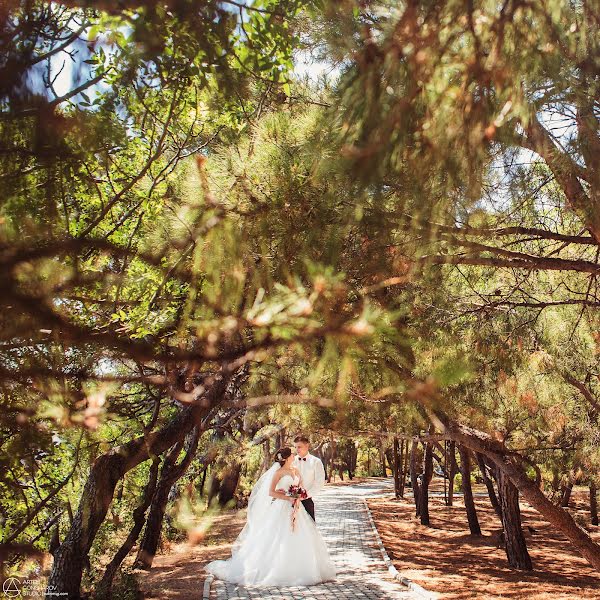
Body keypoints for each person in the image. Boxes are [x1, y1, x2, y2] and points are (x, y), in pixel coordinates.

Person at [204, 447, 336, 587]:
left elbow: (301, 488)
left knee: (301, 534)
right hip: (281, 507)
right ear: (285, 458)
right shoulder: (278, 473)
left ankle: (304, 568)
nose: (294, 456)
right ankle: (276, 571)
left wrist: (299, 495)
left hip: (297, 508)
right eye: (292, 454)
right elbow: (271, 492)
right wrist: (288, 497)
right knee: (279, 536)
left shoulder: (296, 470)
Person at [292, 435, 326, 522]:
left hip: (307, 501)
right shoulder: (292, 461)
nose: (297, 449)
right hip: (291, 502)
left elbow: (319, 483)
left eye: (299, 447)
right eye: (295, 447)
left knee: (310, 529)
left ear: (307, 446)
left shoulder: (316, 462)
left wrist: (305, 495)